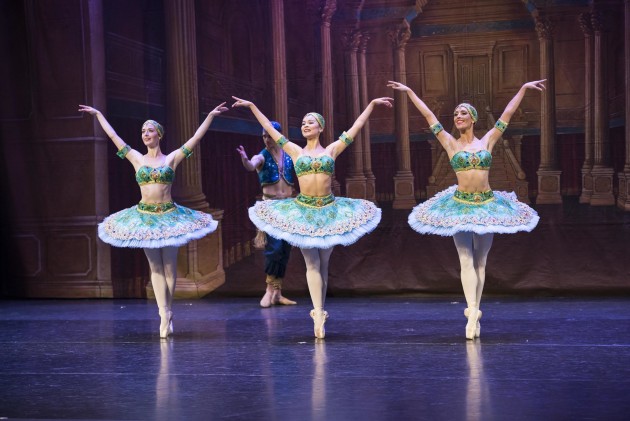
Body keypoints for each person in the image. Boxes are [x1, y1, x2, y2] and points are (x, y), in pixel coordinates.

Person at [387, 80, 545, 340]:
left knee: (481, 261)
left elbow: (506, 114)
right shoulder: (450, 143)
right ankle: (471, 313)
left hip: (486, 204)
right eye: (455, 114)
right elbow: (428, 116)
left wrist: (524, 88)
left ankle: (475, 310)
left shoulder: (488, 142)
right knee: (465, 259)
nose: (458, 117)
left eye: (463, 113)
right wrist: (410, 92)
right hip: (459, 205)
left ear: (472, 119)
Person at [231, 95, 393, 339]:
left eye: (310, 122)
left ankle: (321, 308)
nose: (305, 125)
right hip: (304, 212)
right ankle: (317, 315)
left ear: (320, 128)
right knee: (312, 264)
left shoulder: (331, 150)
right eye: (303, 122)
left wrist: (370, 106)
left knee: (324, 265)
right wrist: (253, 106)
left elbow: (356, 128)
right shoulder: (294, 151)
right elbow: (269, 130)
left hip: (329, 212)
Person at [78, 102, 229, 338]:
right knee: (155, 267)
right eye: (142, 131)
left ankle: (168, 310)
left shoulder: (171, 159)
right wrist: (98, 115)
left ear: (158, 134)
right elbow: (114, 136)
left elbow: (195, 139)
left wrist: (210, 116)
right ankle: (163, 314)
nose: (145, 134)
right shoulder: (137, 158)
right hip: (145, 217)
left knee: (169, 267)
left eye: (149, 130)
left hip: (168, 216)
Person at [236, 121, 298, 308]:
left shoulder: (289, 155)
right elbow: (250, 164)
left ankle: (278, 292)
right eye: (263, 136)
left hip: (288, 207)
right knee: (274, 249)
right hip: (270, 207)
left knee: (285, 250)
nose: (266, 139)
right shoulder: (261, 156)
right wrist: (245, 160)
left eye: (269, 135)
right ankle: (269, 289)